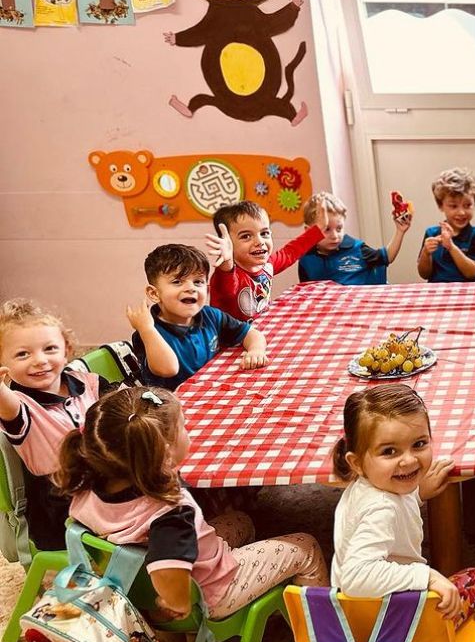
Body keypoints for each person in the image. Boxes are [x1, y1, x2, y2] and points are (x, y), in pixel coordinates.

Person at [57, 387, 328, 620]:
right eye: (183, 427)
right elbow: (171, 581)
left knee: (241, 520)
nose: (187, 432)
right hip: (214, 591)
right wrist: (175, 602)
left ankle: (262, 579)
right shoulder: (171, 515)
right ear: (165, 454)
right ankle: (325, 635)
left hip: (143, 573)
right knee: (306, 547)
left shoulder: (85, 488)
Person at [332, 384, 475, 642]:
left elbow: (390, 514)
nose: (409, 460)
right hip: (395, 629)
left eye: (419, 444)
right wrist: (427, 576)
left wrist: (417, 493)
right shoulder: (381, 509)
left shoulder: (371, 488)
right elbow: (356, 576)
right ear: (356, 462)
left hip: (361, 620)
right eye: (389, 451)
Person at [0, 299, 106, 551]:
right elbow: (7, 406)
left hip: (102, 481)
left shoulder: (88, 383)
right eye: (23, 354)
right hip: (62, 509)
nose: (40, 360)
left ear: (66, 349)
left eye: (49, 348)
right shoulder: (20, 406)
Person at [128, 244, 267, 391]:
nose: (191, 288)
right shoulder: (148, 332)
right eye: (177, 282)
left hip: (212, 389)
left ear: (207, 289)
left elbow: (251, 333)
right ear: (154, 294)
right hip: (172, 401)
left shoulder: (210, 316)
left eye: (198, 282)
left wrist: (256, 350)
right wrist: (146, 330)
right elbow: (168, 369)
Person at [205, 200, 328, 321]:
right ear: (227, 242)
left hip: (259, 329)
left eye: (264, 233)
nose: (260, 242)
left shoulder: (267, 265)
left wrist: (319, 229)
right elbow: (227, 286)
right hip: (226, 335)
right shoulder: (226, 275)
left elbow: (290, 252)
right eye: (246, 236)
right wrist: (227, 263)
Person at [298, 191, 413, 285]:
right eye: (327, 229)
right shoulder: (305, 259)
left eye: (339, 228)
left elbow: (387, 256)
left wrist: (400, 232)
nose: (335, 236)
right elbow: (306, 293)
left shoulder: (357, 249)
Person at [418, 168, 475, 283]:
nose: (461, 212)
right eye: (453, 206)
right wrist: (426, 253)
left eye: (467, 205)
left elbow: (472, 273)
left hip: (469, 291)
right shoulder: (431, 233)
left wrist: (451, 247)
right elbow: (424, 274)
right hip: (438, 291)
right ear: (441, 206)